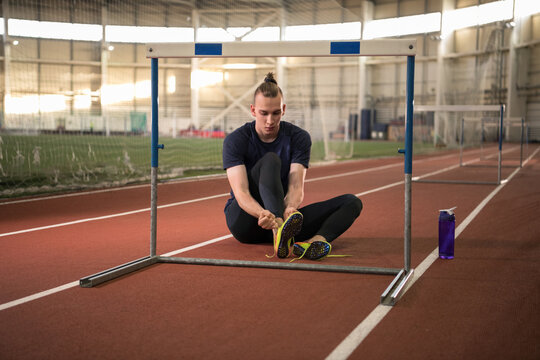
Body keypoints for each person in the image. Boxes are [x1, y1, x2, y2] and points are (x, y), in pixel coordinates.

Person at [222, 72, 363, 260]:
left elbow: (296, 186)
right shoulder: (236, 140)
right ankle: (279, 228)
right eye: (264, 113)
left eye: (276, 113)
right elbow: (241, 193)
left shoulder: (299, 138)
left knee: (352, 202)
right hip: (247, 221)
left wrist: (290, 208)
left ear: (284, 109)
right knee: (271, 160)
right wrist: (264, 214)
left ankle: (313, 242)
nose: (270, 121)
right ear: (253, 110)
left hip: (282, 215)